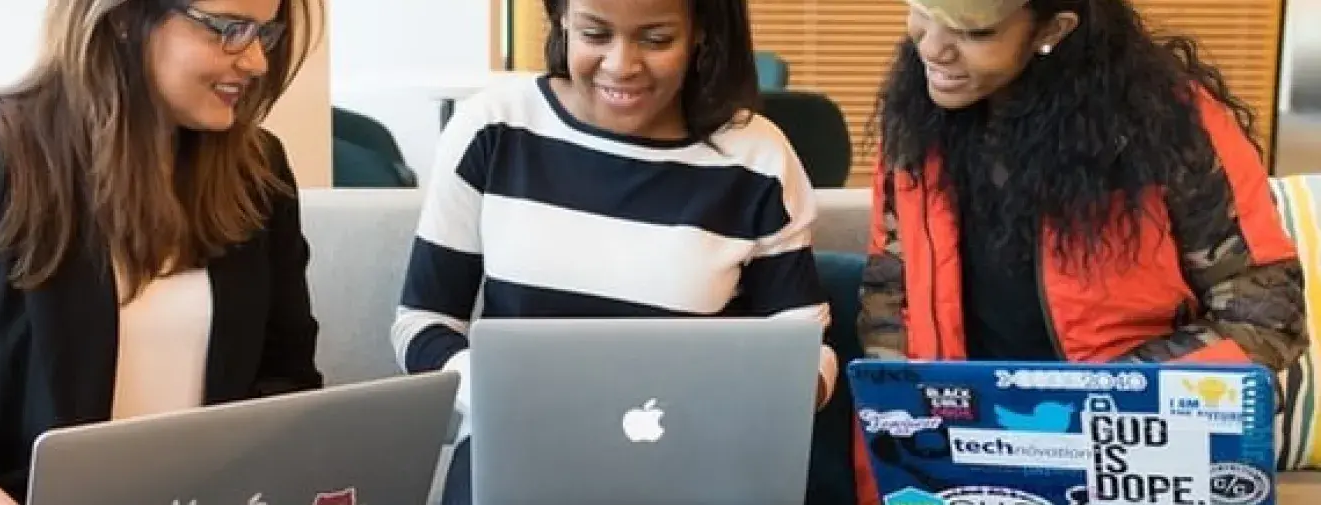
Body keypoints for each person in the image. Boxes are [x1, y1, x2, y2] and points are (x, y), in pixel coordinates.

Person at [855, 0, 1308, 502]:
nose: (932, 46)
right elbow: (889, 300)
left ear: (1053, 29)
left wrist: (1101, 397)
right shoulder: (916, 123)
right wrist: (902, 447)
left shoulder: (1172, 128)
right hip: (964, 454)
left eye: (974, 33)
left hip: (1133, 455)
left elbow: (1266, 316)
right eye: (921, 11)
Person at [390, 0, 837, 502]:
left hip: (694, 470)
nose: (621, 65)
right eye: (595, 34)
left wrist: (775, 401)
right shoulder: (493, 129)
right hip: (515, 461)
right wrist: (492, 392)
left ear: (701, 34)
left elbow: (804, 346)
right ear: (561, 21)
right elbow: (422, 324)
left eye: (656, 39)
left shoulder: (757, 157)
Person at [0, 0, 323, 502]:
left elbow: (288, 383)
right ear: (123, 19)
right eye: (229, 30)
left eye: (265, 34)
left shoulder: (260, 175)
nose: (256, 61)